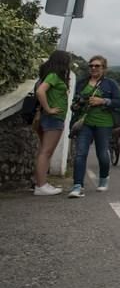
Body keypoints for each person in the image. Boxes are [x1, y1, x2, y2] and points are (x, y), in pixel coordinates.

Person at [68, 55, 120, 198]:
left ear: (104, 68)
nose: (93, 68)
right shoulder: (81, 83)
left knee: (102, 154)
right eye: (91, 65)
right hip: (84, 123)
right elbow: (74, 103)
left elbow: (118, 102)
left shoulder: (110, 84)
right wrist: (77, 104)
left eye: (97, 66)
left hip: (104, 123)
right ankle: (77, 186)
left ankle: (104, 179)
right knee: (80, 153)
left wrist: (103, 101)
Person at [32, 50, 71, 196]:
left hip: (48, 118)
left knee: (44, 151)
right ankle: (41, 186)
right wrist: (48, 109)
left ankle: (40, 183)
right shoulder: (54, 75)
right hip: (53, 118)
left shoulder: (48, 75)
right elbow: (40, 92)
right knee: (46, 152)